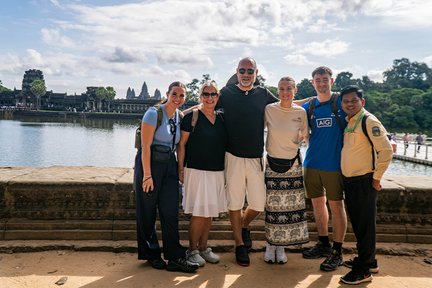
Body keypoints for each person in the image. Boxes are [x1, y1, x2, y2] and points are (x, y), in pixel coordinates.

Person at [217, 57, 278, 266]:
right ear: (237, 71)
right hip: (232, 156)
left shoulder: (262, 93)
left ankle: (243, 225)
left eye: (250, 71)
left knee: (258, 203)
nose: (246, 74)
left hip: (255, 157)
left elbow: (285, 105)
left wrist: (314, 101)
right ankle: (239, 244)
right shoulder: (226, 93)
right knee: (234, 203)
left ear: (256, 72)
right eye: (242, 70)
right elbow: (204, 106)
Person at [133, 81, 198, 273]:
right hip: (149, 164)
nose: (178, 99)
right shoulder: (153, 114)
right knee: (147, 211)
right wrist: (146, 175)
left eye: (182, 96)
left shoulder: (178, 116)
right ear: (167, 94)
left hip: (169, 165)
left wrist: (179, 171)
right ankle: (151, 253)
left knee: (170, 211)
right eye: (175, 94)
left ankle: (175, 256)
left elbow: (179, 145)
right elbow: (145, 147)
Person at [339, 85, 393, 285]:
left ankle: (363, 271)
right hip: (352, 182)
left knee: (365, 227)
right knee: (361, 225)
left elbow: (386, 151)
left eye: (354, 100)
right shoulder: (350, 120)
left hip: (364, 181)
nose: (350, 104)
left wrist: (377, 178)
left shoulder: (368, 121)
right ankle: (369, 262)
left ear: (362, 102)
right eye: (346, 101)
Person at [301, 66, 348, 271]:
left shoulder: (341, 101)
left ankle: (337, 252)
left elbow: (363, 116)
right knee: (318, 205)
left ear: (332, 80)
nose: (322, 83)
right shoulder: (309, 106)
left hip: (335, 165)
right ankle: (323, 243)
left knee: (337, 207)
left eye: (325, 79)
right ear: (313, 82)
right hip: (311, 163)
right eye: (318, 80)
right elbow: (288, 109)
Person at [177, 81, 228, 267]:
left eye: (213, 94)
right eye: (205, 94)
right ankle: (192, 250)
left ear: (218, 97)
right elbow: (181, 145)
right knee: (199, 212)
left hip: (216, 171)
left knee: (210, 212)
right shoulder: (192, 117)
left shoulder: (222, 118)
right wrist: (180, 169)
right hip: (196, 170)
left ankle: (204, 247)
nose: (209, 98)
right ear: (200, 97)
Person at [263, 76, 309, 264]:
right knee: (272, 207)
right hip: (272, 162)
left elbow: (305, 136)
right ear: (278, 90)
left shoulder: (301, 112)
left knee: (289, 209)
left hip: (293, 164)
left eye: (289, 88)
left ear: (295, 90)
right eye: (282, 89)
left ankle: (281, 247)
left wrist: (300, 138)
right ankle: (270, 245)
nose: (285, 92)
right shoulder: (269, 109)